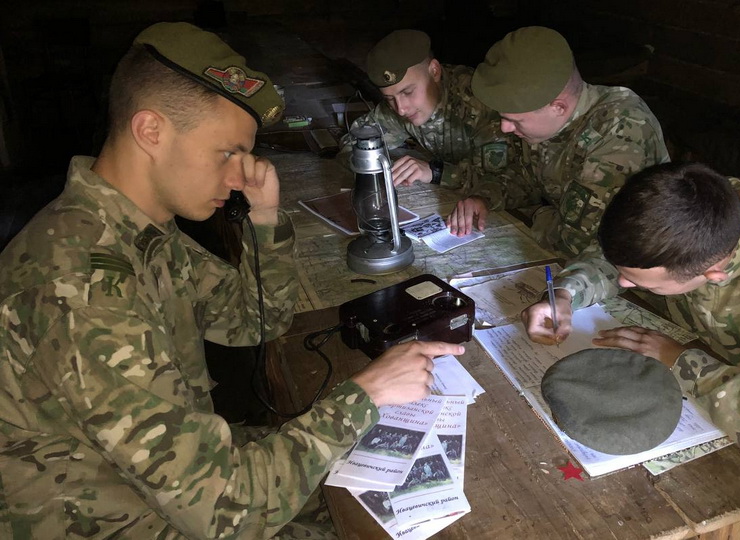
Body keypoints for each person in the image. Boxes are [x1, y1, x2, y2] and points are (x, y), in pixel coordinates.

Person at [0, 22, 463, 539]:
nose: (241, 173)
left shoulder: (136, 232)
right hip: (124, 519)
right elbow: (228, 513)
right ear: (151, 131)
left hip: (166, 488)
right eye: (227, 154)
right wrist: (366, 394)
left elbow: (254, 320)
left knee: (374, 489)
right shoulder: (77, 284)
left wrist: (264, 222)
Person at [523, 161, 740, 536]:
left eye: (641, 284)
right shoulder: (693, 207)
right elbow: (629, 255)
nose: (622, 282)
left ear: (713, 275)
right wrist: (567, 291)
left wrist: (684, 363)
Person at [447, 26, 669, 257]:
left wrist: (540, 216)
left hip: (634, 276)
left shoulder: (621, 127)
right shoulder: (543, 121)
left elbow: (580, 242)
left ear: (558, 107)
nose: (505, 128)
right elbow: (526, 178)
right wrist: (484, 197)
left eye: (514, 120)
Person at [338, 29, 514, 189]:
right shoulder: (402, 105)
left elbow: (504, 180)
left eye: (408, 91)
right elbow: (352, 144)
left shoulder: (478, 101)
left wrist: (435, 173)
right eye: (389, 99)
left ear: (434, 71)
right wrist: (387, 169)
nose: (401, 109)